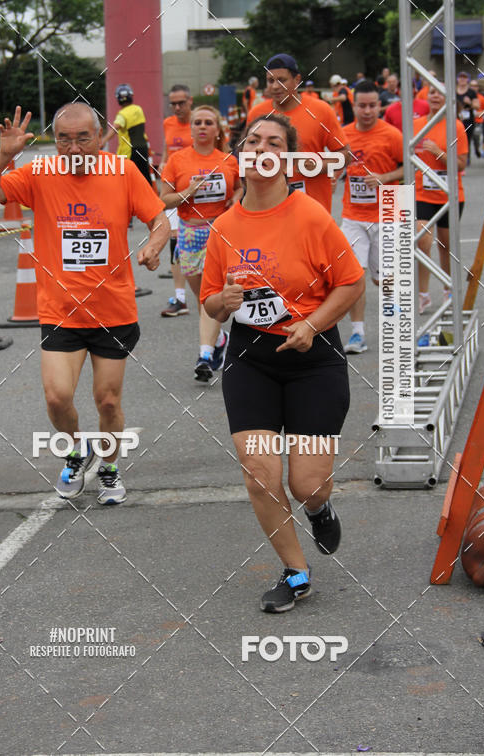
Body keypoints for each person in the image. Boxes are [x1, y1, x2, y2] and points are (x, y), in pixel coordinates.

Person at [200, 114, 364, 613]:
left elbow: (352, 283)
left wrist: (312, 325)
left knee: (305, 483)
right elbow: (208, 301)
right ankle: (296, 572)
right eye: (253, 140)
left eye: (274, 142)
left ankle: (319, 506)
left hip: (314, 358)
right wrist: (221, 302)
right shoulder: (224, 226)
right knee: (259, 472)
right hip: (251, 357)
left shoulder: (309, 214)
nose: (262, 148)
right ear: (241, 153)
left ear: (287, 156)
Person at [0, 104, 170, 503]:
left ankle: (111, 468)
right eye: (64, 138)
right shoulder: (39, 174)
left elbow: (160, 218)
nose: (74, 147)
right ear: (55, 140)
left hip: (113, 311)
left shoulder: (123, 172)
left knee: (108, 399)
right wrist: (4, 155)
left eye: (83, 138)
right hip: (61, 310)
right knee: (56, 397)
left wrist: (154, 243)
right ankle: (77, 452)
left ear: (101, 139)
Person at [160, 105, 241, 381]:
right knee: (203, 299)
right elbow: (163, 199)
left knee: (213, 293)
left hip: (221, 232)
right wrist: (187, 192)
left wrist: (236, 199)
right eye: (197, 123)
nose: (202, 127)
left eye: (208, 122)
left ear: (218, 129)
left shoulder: (228, 159)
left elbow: (241, 186)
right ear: (191, 128)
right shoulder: (177, 160)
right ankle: (219, 339)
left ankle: (205, 354)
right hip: (190, 233)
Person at [340, 81, 404, 354]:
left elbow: (409, 169)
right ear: (353, 106)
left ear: (380, 106)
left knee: (385, 278)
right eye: (361, 106)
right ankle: (358, 334)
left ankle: (396, 326)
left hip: (388, 211)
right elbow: (334, 164)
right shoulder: (342, 135)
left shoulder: (392, 135)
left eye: (372, 105)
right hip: (353, 215)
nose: (367, 111)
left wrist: (384, 178)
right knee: (354, 275)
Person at [246, 53, 353, 214]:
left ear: (297, 80)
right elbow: (245, 159)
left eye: (282, 80)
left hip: (313, 211)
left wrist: (319, 166)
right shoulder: (257, 114)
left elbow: (345, 154)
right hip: (269, 209)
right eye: (270, 81)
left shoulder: (321, 110)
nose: (275, 86)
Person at [414, 85, 468, 314]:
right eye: (431, 92)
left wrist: (437, 151)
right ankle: (423, 294)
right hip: (421, 193)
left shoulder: (455, 126)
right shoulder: (416, 125)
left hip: (449, 194)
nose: (435, 96)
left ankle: (448, 289)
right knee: (423, 242)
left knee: (446, 246)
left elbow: (461, 165)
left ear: (448, 99)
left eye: (440, 93)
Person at [158, 85, 193, 317]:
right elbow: (166, 149)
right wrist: (162, 162)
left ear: (190, 101)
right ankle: (180, 298)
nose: (177, 107)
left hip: (200, 194)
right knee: (174, 239)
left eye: (181, 103)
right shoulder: (168, 123)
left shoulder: (201, 123)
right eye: (173, 104)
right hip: (173, 192)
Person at [101, 83, 151, 185]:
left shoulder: (122, 114)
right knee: (144, 177)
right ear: (131, 96)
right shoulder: (138, 109)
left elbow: (115, 128)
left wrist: (103, 141)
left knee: (127, 180)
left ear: (118, 99)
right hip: (143, 148)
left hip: (129, 151)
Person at [456, 72, 481, 163]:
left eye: (464, 77)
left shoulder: (471, 92)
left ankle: (466, 158)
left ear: (468, 80)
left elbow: (477, 106)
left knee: (466, 139)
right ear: (457, 79)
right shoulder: (453, 91)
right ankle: (456, 158)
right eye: (460, 77)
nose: (462, 79)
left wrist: (469, 102)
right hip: (456, 119)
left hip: (468, 120)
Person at [469, 79, 484, 158]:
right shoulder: (467, 96)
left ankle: (477, 148)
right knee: (467, 138)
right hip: (468, 120)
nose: (473, 88)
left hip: (478, 121)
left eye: (475, 86)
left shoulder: (481, 97)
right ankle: (468, 157)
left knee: (476, 137)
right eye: (472, 86)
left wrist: (480, 114)